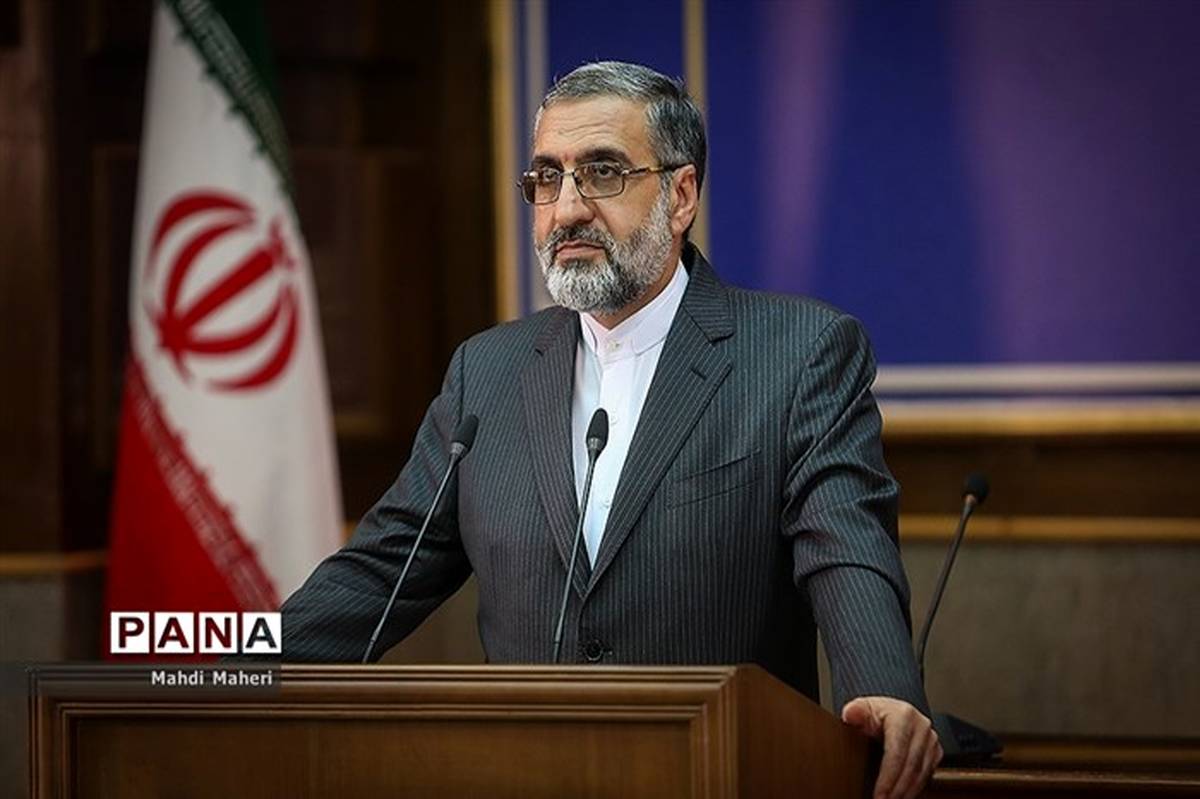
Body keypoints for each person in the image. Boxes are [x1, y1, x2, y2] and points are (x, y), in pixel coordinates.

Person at [280, 61, 941, 799]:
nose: (566, 209)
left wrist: (882, 689)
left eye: (601, 173)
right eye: (547, 177)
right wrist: (218, 670)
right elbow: (380, 569)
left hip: (717, 776)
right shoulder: (487, 372)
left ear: (680, 195)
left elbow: (845, 549)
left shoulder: (796, 355)